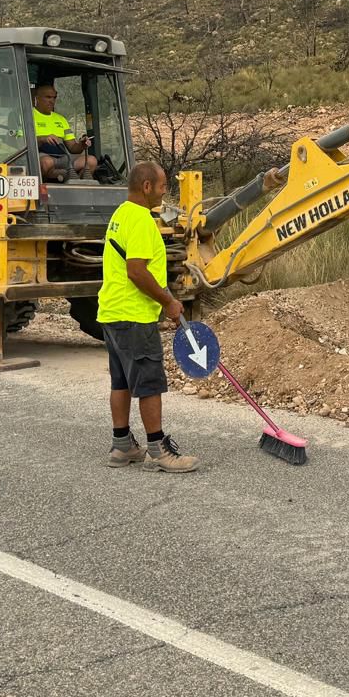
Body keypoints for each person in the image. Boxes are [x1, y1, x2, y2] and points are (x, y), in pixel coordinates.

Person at [99, 160, 198, 473]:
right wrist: (168, 301)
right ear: (146, 186)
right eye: (162, 185)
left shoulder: (121, 214)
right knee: (150, 383)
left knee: (121, 381)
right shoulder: (141, 220)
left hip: (112, 312)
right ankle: (158, 450)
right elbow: (137, 271)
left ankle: (122, 446)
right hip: (134, 316)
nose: (165, 191)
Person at [31, 82, 98, 181]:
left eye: (54, 98)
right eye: (48, 97)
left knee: (91, 161)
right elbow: (21, 144)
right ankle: (66, 175)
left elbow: (73, 148)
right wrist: (42, 139)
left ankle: (74, 182)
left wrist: (82, 144)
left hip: (63, 157)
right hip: (40, 156)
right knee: (46, 163)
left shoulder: (61, 119)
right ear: (37, 98)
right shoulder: (28, 116)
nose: (52, 101)